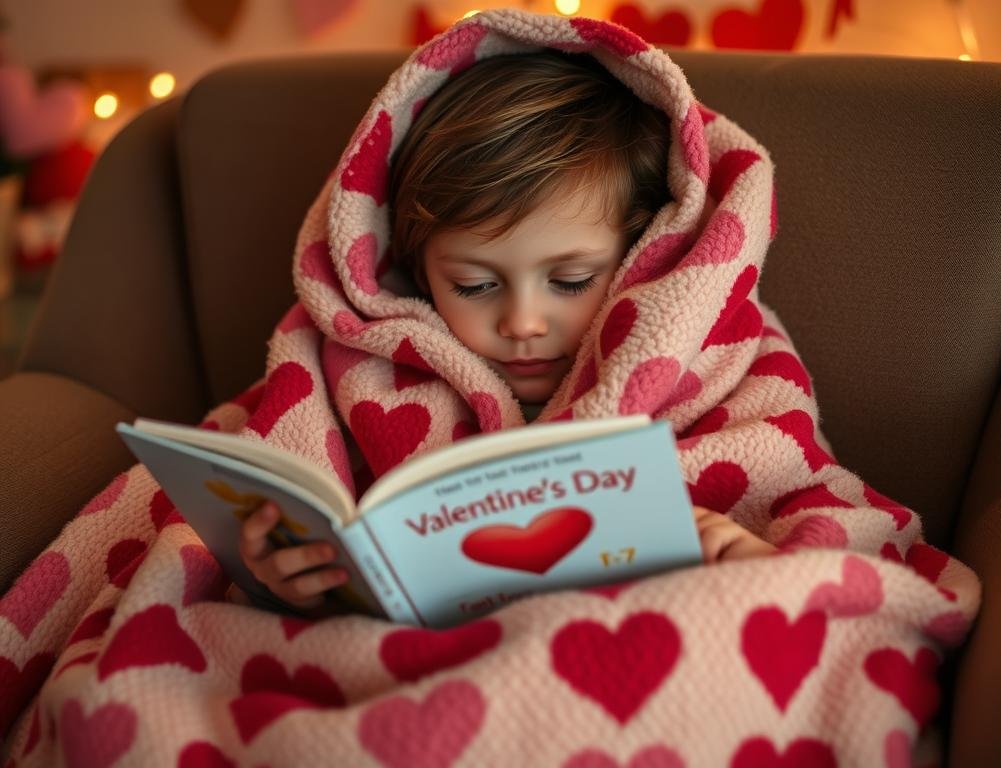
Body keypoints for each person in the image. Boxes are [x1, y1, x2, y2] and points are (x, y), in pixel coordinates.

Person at [236, 49, 777, 614]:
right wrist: (277, 572)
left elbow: (822, 543)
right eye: (472, 285)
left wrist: (738, 555)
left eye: (571, 280)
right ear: (418, 272)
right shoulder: (352, 370)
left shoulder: (716, 362)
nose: (523, 323)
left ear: (647, 260)